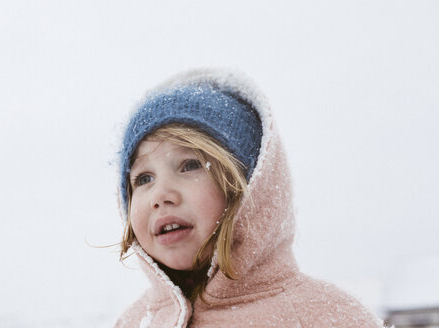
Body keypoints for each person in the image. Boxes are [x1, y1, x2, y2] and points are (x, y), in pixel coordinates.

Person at [114, 69, 383, 327]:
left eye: (190, 165)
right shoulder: (132, 322)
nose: (160, 196)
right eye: (143, 179)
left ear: (251, 186)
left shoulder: (326, 317)